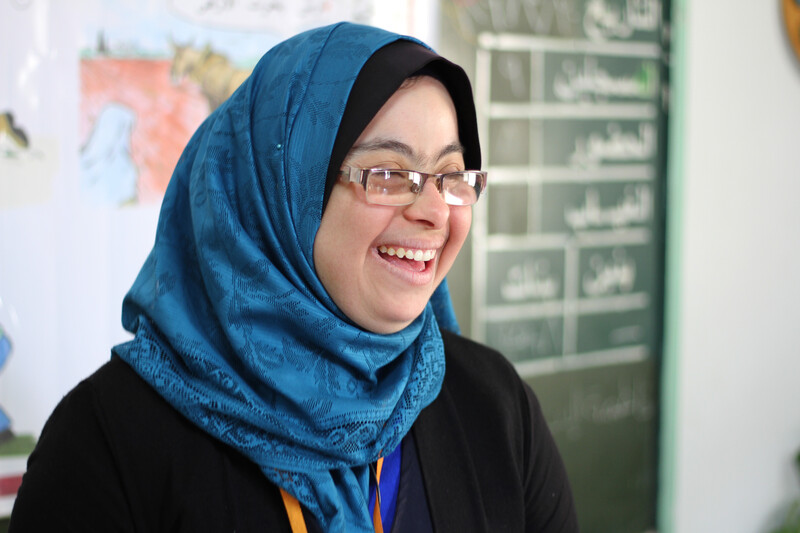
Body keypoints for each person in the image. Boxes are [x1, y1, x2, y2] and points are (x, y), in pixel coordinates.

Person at [10, 22, 579, 532]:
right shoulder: (108, 444)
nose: (434, 210)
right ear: (282, 194)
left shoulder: (493, 407)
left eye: (451, 174)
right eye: (387, 173)